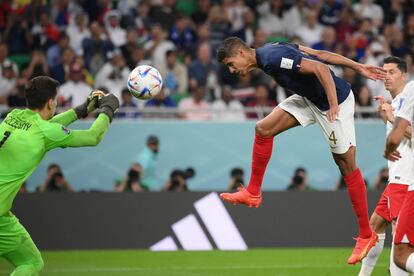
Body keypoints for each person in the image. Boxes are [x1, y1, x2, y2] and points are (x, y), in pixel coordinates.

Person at [217, 37, 386, 264]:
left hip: (333, 102)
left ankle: (367, 235)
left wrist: (334, 104)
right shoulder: (273, 49)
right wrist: (358, 66)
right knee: (263, 129)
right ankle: (253, 192)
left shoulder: (273, 57)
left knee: (346, 166)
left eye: (230, 64)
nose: (231, 70)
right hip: (309, 99)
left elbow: (321, 68)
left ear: (240, 53)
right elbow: (320, 54)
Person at [0, 76, 119, 275]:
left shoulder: (14, 116)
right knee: (30, 264)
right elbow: (92, 136)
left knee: (31, 261)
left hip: (2, 218)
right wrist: (108, 110)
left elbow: (47, 125)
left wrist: (82, 110)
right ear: (51, 102)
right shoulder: (45, 132)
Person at [359, 56, 413, 276]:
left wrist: (391, 118)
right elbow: (398, 139)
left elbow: (407, 133)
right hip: (397, 178)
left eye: (392, 72)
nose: (386, 76)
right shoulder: (396, 103)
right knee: (375, 226)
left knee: (399, 245)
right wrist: (387, 117)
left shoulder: (408, 101)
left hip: (406, 180)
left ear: (404, 75)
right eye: (384, 72)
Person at [383, 72, 414, 274]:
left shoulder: (411, 90)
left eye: (391, 71)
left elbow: (396, 136)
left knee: (401, 253)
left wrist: (387, 149)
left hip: (409, 182)